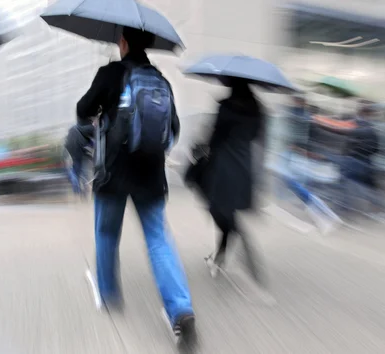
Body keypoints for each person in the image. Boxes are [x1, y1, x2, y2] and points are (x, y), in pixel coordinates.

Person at [77, 26, 195, 344]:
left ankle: (109, 293)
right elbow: (174, 129)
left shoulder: (109, 73)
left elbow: (82, 110)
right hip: (151, 175)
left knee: (106, 234)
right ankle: (181, 310)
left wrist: (103, 115)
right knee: (158, 240)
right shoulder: (160, 80)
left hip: (113, 173)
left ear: (123, 42)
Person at [187, 78, 266, 285]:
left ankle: (242, 260)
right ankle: (219, 256)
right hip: (243, 166)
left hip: (223, 166)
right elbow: (257, 135)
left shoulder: (226, 106)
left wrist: (201, 145)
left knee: (220, 211)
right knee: (225, 210)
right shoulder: (257, 108)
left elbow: (214, 138)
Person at [64, 122, 95, 195]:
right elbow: (91, 143)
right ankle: (83, 190)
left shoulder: (72, 130)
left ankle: (78, 190)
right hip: (79, 154)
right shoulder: (83, 130)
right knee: (83, 173)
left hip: (73, 154)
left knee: (77, 173)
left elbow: (67, 143)